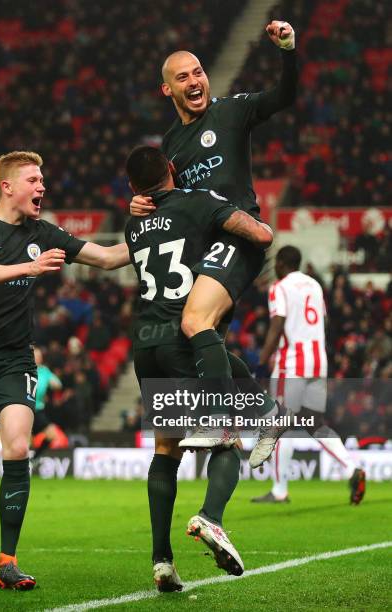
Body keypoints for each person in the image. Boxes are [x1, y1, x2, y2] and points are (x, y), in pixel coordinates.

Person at [0, 151, 129, 589]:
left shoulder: (43, 232)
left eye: (43, 179)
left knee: (17, 447)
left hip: (14, 359)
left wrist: (159, 232)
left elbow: (106, 258)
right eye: (34, 179)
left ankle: (7, 563)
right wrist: (31, 266)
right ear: (7, 186)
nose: (42, 186)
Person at [130, 21, 297, 460]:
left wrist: (288, 51)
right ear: (168, 90)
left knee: (192, 323)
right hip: (206, 248)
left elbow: (285, 97)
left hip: (240, 235)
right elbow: (172, 201)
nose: (195, 81)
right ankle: (266, 411)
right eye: (183, 77)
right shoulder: (171, 144)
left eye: (198, 72)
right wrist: (142, 206)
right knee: (205, 342)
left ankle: (221, 420)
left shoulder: (231, 112)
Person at [124, 145, 272, 590]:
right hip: (184, 337)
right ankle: (212, 517)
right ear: (172, 169)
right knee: (224, 442)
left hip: (145, 344)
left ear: (134, 189)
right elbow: (256, 234)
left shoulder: (134, 224)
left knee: (165, 451)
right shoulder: (198, 201)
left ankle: (162, 561)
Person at [252, 246, 367, 505]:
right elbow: (324, 322)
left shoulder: (279, 287)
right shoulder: (314, 285)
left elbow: (277, 324)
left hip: (292, 364)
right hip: (318, 362)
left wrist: (260, 364)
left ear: (281, 264)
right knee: (315, 423)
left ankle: (279, 490)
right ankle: (352, 469)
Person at [31, 346, 63, 460]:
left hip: (38, 410)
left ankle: (34, 459)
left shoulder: (44, 371)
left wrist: (54, 384)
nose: (38, 358)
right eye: (36, 356)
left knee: (52, 435)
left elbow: (58, 384)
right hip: (25, 409)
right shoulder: (24, 369)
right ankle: (21, 464)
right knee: (23, 440)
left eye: (40, 356)